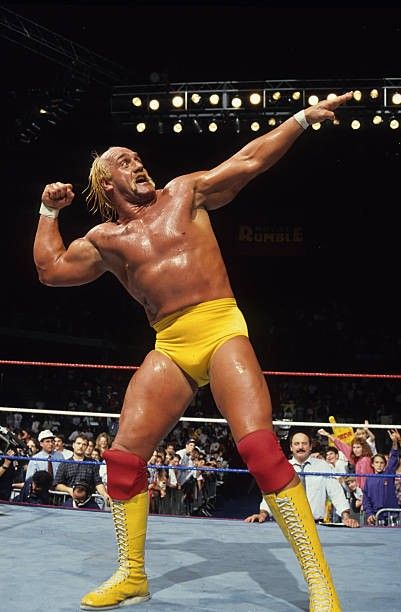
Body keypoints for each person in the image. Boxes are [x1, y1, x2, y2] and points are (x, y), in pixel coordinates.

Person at [33, 91, 352, 611]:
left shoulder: (184, 194)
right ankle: (132, 574)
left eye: (137, 158)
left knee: (260, 449)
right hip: (171, 344)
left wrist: (300, 118)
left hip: (221, 326)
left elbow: (248, 160)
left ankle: (320, 583)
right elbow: (50, 271)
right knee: (123, 457)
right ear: (106, 182)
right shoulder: (105, 239)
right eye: (124, 161)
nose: (137, 164)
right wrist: (48, 211)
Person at [245, 432, 359, 527]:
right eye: (297, 444)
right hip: (286, 527)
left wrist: (346, 517)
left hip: (316, 526)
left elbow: (336, 493)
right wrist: (262, 514)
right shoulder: (281, 468)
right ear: (291, 447)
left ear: (310, 447)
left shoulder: (323, 466)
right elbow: (271, 495)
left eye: (304, 444)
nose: (300, 447)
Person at [363, 429, 400, 526]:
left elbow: (393, 458)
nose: (379, 465)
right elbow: (366, 499)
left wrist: (394, 442)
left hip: (392, 515)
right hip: (376, 517)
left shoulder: (388, 474)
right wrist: (369, 514)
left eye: (381, 463)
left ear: (385, 465)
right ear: (372, 464)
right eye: (376, 462)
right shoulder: (368, 479)